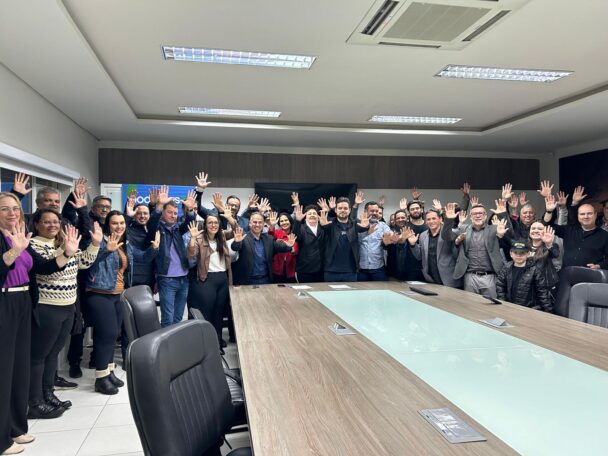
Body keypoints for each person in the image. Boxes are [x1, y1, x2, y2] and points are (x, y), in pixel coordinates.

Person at [0, 192, 67, 455]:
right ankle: (2, 440)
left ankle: (16, 428)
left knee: (19, 368)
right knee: (4, 370)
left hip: (24, 302)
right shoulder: (9, 241)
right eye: (5, 209)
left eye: (15, 208)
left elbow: (42, 267)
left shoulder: (19, 236)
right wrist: (12, 252)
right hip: (4, 303)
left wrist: (67, 253)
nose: (12, 213)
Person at [28, 211, 102, 418]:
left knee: (53, 354)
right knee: (39, 356)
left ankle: (48, 394)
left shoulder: (63, 243)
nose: (52, 225)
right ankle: (34, 401)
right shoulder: (33, 245)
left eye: (55, 222)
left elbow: (84, 263)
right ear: (37, 224)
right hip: (47, 307)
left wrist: (95, 244)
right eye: (46, 222)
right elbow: (47, 269)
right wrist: (66, 252)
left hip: (68, 306)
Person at [86, 210, 159, 395]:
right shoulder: (98, 242)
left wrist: (154, 248)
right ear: (107, 225)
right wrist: (105, 250)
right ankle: (101, 378)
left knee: (113, 334)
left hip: (118, 294)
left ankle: (109, 371)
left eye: (121, 223)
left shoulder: (124, 244)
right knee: (107, 334)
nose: (119, 226)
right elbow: (87, 263)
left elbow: (142, 258)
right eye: (114, 223)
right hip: (99, 293)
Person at [147, 186, 197, 327]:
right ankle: (166, 342)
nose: (173, 215)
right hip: (167, 280)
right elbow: (152, 222)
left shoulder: (178, 228)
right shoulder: (157, 228)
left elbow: (189, 222)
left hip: (184, 279)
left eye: (175, 213)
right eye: (169, 212)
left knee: (178, 318)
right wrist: (159, 205)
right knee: (168, 319)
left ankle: (175, 341)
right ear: (163, 212)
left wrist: (190, 210)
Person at [441, 201, 511, 298]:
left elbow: (510, 234)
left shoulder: (494, 229)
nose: (478, 216)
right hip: (470, 277)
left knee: (491, 304)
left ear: (485, 216)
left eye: (480, 213)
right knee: (470, 304)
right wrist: (448, 220)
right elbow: (446, 236)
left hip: (490, 277)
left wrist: (503, 217)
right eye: (474, 214)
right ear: (470, 216)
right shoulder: (463, 229)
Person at [186, 215, 239, 344]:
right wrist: (192, 238)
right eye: (210, 223)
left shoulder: (222, 236)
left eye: (216, 223)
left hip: (222, 278)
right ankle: (207, 343)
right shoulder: (199, 238)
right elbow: (191, 254)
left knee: (219, 311)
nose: (213, 225)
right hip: (207, 278)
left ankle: (218, 341)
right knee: (207, 312)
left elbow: (236, 230)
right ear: (205, 225)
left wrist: (230, 218)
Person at [231, 212, 296, 285]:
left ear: (263, 224)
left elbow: (279, 247)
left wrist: (289, 246)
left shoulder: (269, 238)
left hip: (266, 280)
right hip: (248, 281)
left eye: (260, 222)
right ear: (249, 223)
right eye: (255, 222)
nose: (257, 225)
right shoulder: (243, 238)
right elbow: (235, 247)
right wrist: (237, 242)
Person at [320, 197, 370, 282]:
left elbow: (363, 227)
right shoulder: (329, 223)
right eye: (340, 208)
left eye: (345, 208)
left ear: (349, 210)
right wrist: (323, 225)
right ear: (336, 210)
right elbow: (324, 227)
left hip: (351, 271)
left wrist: (366, 226)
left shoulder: (355, 224)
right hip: (331, 271)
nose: (343, 210)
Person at [410, 209, 462, 288]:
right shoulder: (423, 235)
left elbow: (456, 254)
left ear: (440, 219)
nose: (431, 221)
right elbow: (419, 256)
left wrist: (449, 220)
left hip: (449, 279)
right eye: (428, 219)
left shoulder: (449, 233)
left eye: (434, 218)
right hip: (430, 279)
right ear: (426, 221)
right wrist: (413, 245)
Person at [496, 241, 552, 312]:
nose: (518, 256)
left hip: (529, 309)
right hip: (510, 307)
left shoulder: (535, 270)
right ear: (511, 254)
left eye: (522, 253)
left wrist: (548, 311)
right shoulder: (506, 268)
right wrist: (503, 304)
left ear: (528, 254)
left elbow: (543, 293)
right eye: (515, 253)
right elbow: (500, 287)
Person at [357, 201, 394, 281]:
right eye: (372, 211)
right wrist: (365, 232)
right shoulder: (358, 225)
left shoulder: (383, 226)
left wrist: (390, 239)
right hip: (361, 268)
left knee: (380, 288)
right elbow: (354, 242)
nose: (375, 213)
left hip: (378, 268)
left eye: (376, 211)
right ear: (365, 211)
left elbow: (391, 236)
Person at [291, 198, 324, 283]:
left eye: (314, 213)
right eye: (309, 214)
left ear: (318, 217)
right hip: (304, 270)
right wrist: (298, 221)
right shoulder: (301, 228)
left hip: (321, 270)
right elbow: (295, 236)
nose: (312, 215)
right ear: (305, 217)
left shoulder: (323, 228)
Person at [267, 211, 299, 283]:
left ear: (290, 221)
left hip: (291, 269)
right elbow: (270, 236)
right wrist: (272, 225)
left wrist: (290, 247)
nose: (284, 222)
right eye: (281, 221)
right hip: (277, 269)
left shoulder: (295, 233)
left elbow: (295, 251)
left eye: (286, 220)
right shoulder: (277, 232)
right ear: (279, 224)